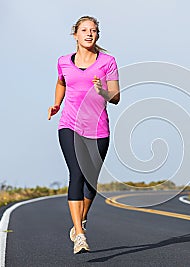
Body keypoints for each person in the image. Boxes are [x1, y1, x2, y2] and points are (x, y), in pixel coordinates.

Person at [48, 16, 120, 254]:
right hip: (70, 125)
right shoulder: (63, 61)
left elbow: (116, 97)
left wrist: (102, 91)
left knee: (90, 181)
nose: (90, 34)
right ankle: (79, 234)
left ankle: (81, 220)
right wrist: (57, 104)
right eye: (85, 30)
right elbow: (61, 82)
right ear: (75, 34)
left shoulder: (108, 62)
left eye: (94, 30)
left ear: (97, 35)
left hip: (98, 129)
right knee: (76, 173)